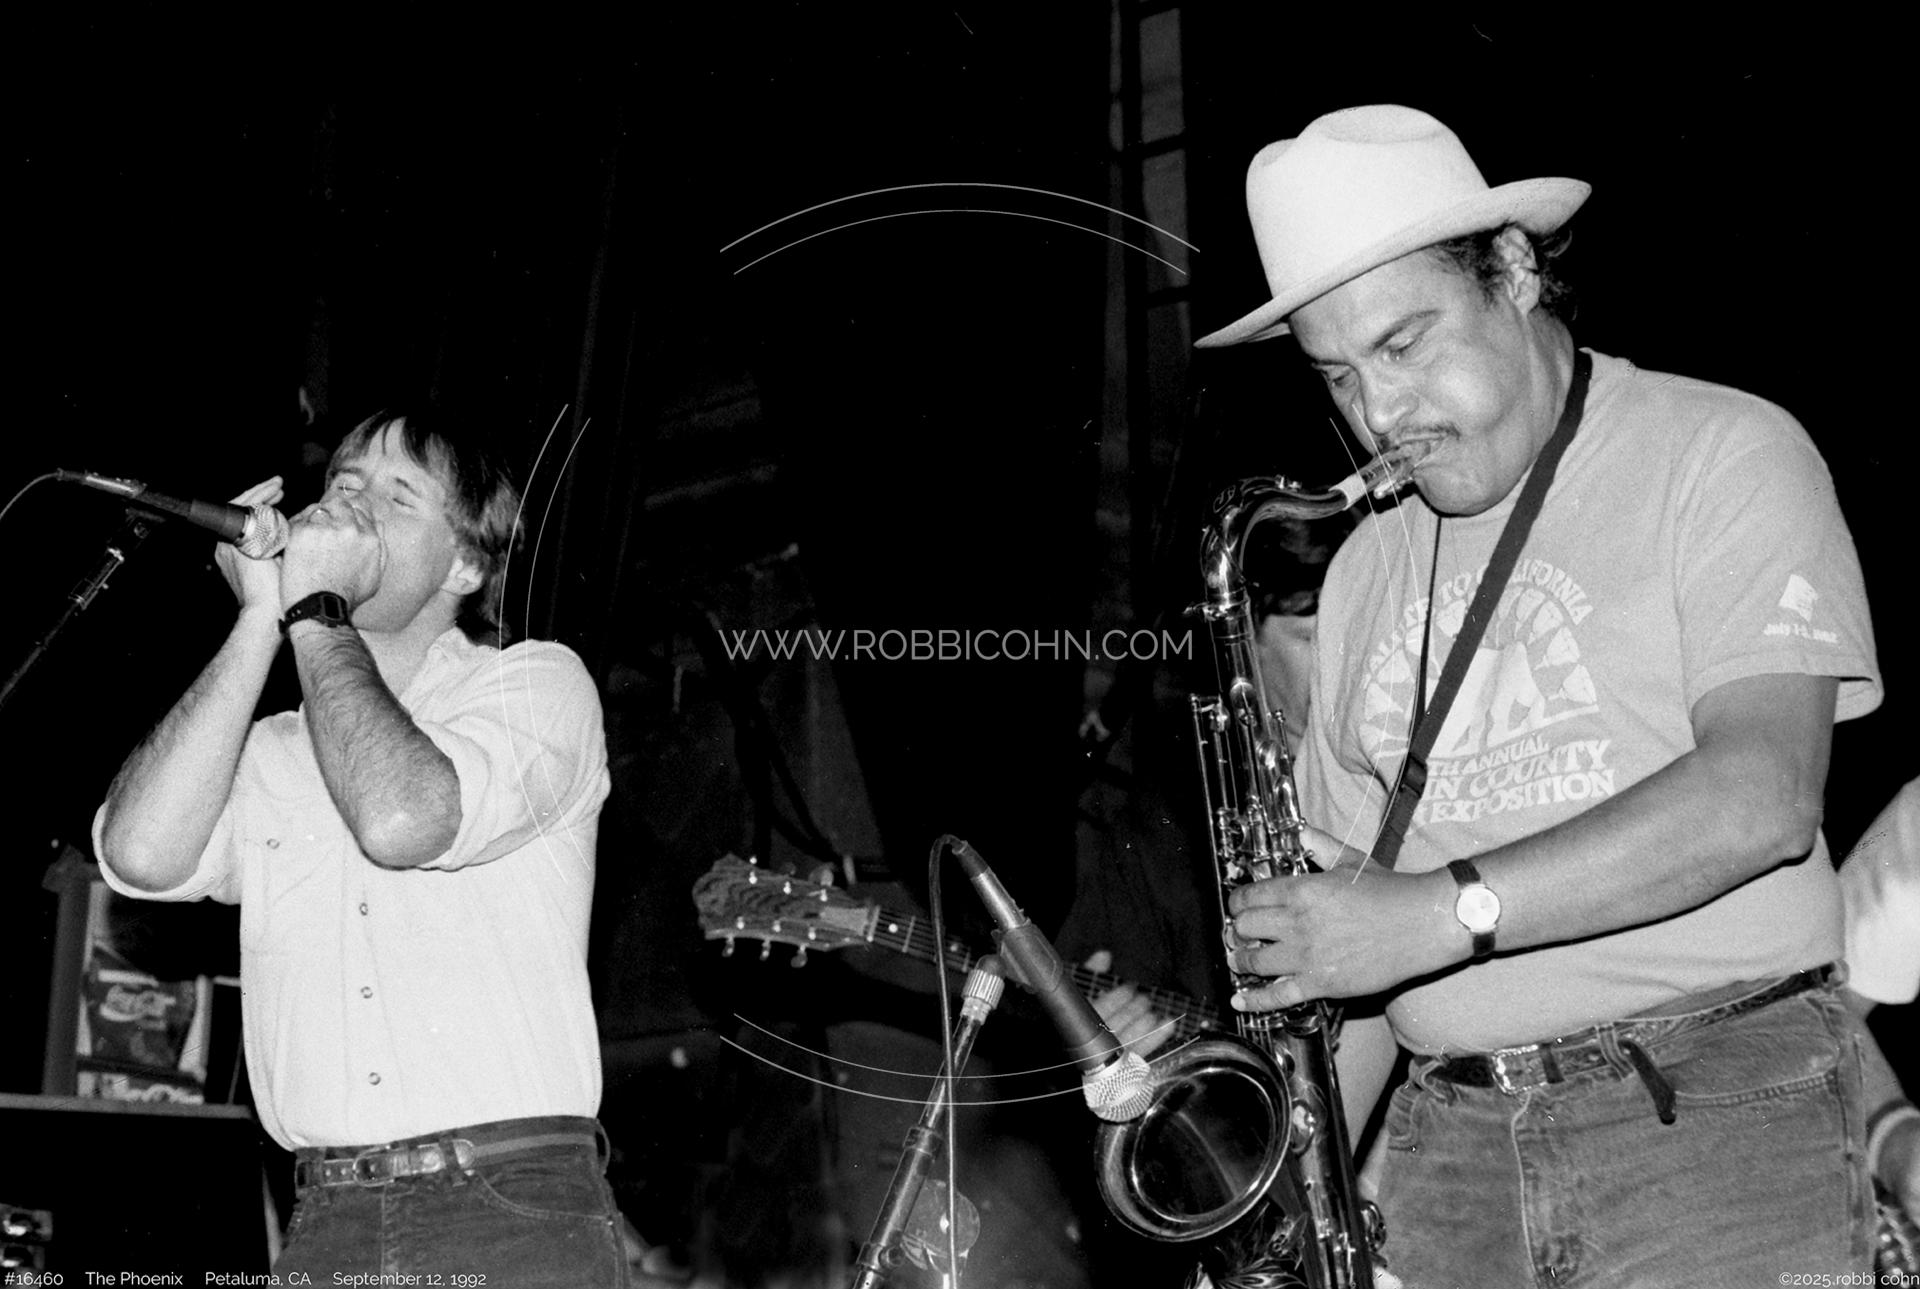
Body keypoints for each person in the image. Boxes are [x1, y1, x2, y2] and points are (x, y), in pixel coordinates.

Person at [1199, 105, 1883, 1285]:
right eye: (1339, 375)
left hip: (1709, 1110)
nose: (1379, 413)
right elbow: (1353, 948)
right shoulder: (1361, 571)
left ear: (1513, 269)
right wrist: (1273, 1217)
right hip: (1450, 1148)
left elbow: (1763, 794)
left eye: (1404, 343)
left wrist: (1442, 912)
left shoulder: (1724, 451)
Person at [93, 409, 623, 1283]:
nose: (351, 505)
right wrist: (259, 619)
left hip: (507, 1207)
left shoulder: (535, 686)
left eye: (396, 495)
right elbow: (137, 855)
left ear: (465, 564)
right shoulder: (272, 748)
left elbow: (402, 819)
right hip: (328, 1216)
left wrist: (313, 608)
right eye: (343, 483)